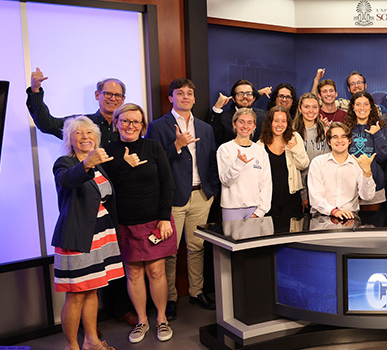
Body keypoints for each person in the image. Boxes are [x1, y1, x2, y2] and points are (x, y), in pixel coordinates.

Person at [146, 78, 220, 318]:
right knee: (170, 251)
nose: (186, 97)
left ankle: (197, 292)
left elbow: (210, 160)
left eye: (190, 93)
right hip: (173, 198)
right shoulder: (158, 127)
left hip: (201, 195)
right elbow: (154, 164)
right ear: (171, 98)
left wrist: (211, 191)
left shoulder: (205, 127)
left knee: (197, 247)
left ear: (195, 98)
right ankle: (169, 297)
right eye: (180, 93)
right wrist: (176, 146)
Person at [104, 103, 176, 343]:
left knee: (156, 271)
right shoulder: (107, 150)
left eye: (135, 121)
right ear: (116, 123)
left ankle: (162, 319)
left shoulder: (153, 147)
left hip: (155, 221)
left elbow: (168, 183)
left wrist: (165, 217)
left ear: (143, 125)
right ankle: (142, 321)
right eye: (125, 121)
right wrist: (126, 165)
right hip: (124, 223)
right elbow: (107, 186)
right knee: (133, 274)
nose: (130, 126)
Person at [52, 116, 124, 350]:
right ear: (70, 139)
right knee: (76, 295)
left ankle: (91, 340)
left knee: (92, 289)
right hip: (77, 236)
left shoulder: (98, 162)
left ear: (97, 137)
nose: (85, 137)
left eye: (89, 133)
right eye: (79, 133)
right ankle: (71, 346)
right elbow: (66, 181)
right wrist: (86, 165)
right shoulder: (64, 163)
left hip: (100, 235)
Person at [27, 68, 124, 145]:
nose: (112, 98)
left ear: (123, 99)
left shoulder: (129, 126)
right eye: (107, 93)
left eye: (117, 95)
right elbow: (47, 125)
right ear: (97, 95)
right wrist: (35, 90)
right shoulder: (80, 122)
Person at [307, 122, 376, 219]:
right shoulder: (317, 163)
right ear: (329, 142)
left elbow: (367, 197)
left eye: (343, 137)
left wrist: (367, 173)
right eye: (335, 137)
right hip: (322, 218)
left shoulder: (359, 164)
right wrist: (334, 211)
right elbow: (316, 198)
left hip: (350, 218)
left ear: (349, 140)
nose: (339, 140)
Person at [217, 108, 272, 221]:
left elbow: (266, 183)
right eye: (241, 122)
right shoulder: (225, 149)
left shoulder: (260, 151)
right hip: (232, 208)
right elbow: (226, 181)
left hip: (255, 209)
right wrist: (238, 163)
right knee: (232, 239)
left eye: (249, 122)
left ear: (254, 126)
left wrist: (260, 211)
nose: (245, 126)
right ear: (234, 124)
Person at [257, 106, 309, 217]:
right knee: (270, 232)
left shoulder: (294, 138)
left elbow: (303, 165)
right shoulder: (260, 144)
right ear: (269, 122)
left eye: (284, 121)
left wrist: (295, 149)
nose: (280, 125)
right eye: (276, 121)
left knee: (291, 232)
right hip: (269, 199)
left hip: (291, 197)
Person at [344, 91, 387, 211]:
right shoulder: (345, 129)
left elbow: (383, 157)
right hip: (349, 186)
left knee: (372, 225)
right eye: (358, 104)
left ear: (371, 107)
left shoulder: (381, 128)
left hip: (375, 184)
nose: (362, 108)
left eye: (366, 104)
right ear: (353, 107)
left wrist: (378, 135)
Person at [292, 93, 331, 211]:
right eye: (306, 107)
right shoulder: (292, 132)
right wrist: (304, 194)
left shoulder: (326, 131)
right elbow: (296, 167)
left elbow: (329, 163)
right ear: (300, 109)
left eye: (314, 107)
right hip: (301, 190)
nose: (311, 111)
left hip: (325, 189)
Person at [208, 79, 271, 146]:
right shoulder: (223, 118)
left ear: (254, 98)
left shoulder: (264, 116)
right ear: (233, 99)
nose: (245, 97)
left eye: (248, 93)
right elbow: (212, 136)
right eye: (240, 94)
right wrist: (217, 107)